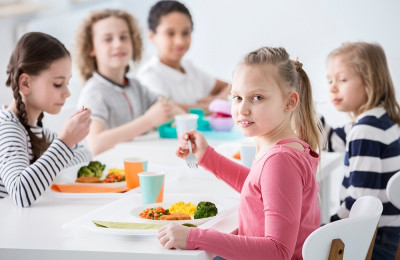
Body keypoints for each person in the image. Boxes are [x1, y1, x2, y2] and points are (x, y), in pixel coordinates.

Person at [158, 47, 322, 259]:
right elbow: (258, 187)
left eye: (257, 97)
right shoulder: (287, 149)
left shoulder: (280, 160)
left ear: (289, 102)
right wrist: (206, 156)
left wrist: (194, 237)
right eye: (236, 97)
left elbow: (278, 251)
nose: (242, 109)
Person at [323, 42, 400, 260]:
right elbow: (332, 140)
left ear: (372, 82)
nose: (332, 88)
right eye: (329, 81)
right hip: (388, 234)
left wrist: (327, 226)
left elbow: (361, 201)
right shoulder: (379, 120)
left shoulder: (366, 129)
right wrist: (304, 112)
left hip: (374, 240)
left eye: (342, 80)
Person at [0, 32, 92, 207]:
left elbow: (85, 154)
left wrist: (53, 160)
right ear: (26, 84)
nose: (67, 92)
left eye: (68, 82)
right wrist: (65, 142)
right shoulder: (8, 129)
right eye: (58, 84)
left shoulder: (33, 128)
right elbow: (20, 193)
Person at [75, 9, 182, 155]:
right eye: (108, 39)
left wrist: (176, 113)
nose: (118, 44)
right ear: (91, 48)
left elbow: (165, 107)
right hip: (110, 171)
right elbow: (96, 144)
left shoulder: (136, 86)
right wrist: (148, 121)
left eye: (124, 37)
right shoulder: (93, 92)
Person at [137, 0, 230, 114]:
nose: (179, 41)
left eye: (185, 33)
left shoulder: (189, 69)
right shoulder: (149, 74)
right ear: (152, 36)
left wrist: (217, 100)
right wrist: (212, 106)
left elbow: (232, 87)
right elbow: (165, 109)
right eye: (170, 33)